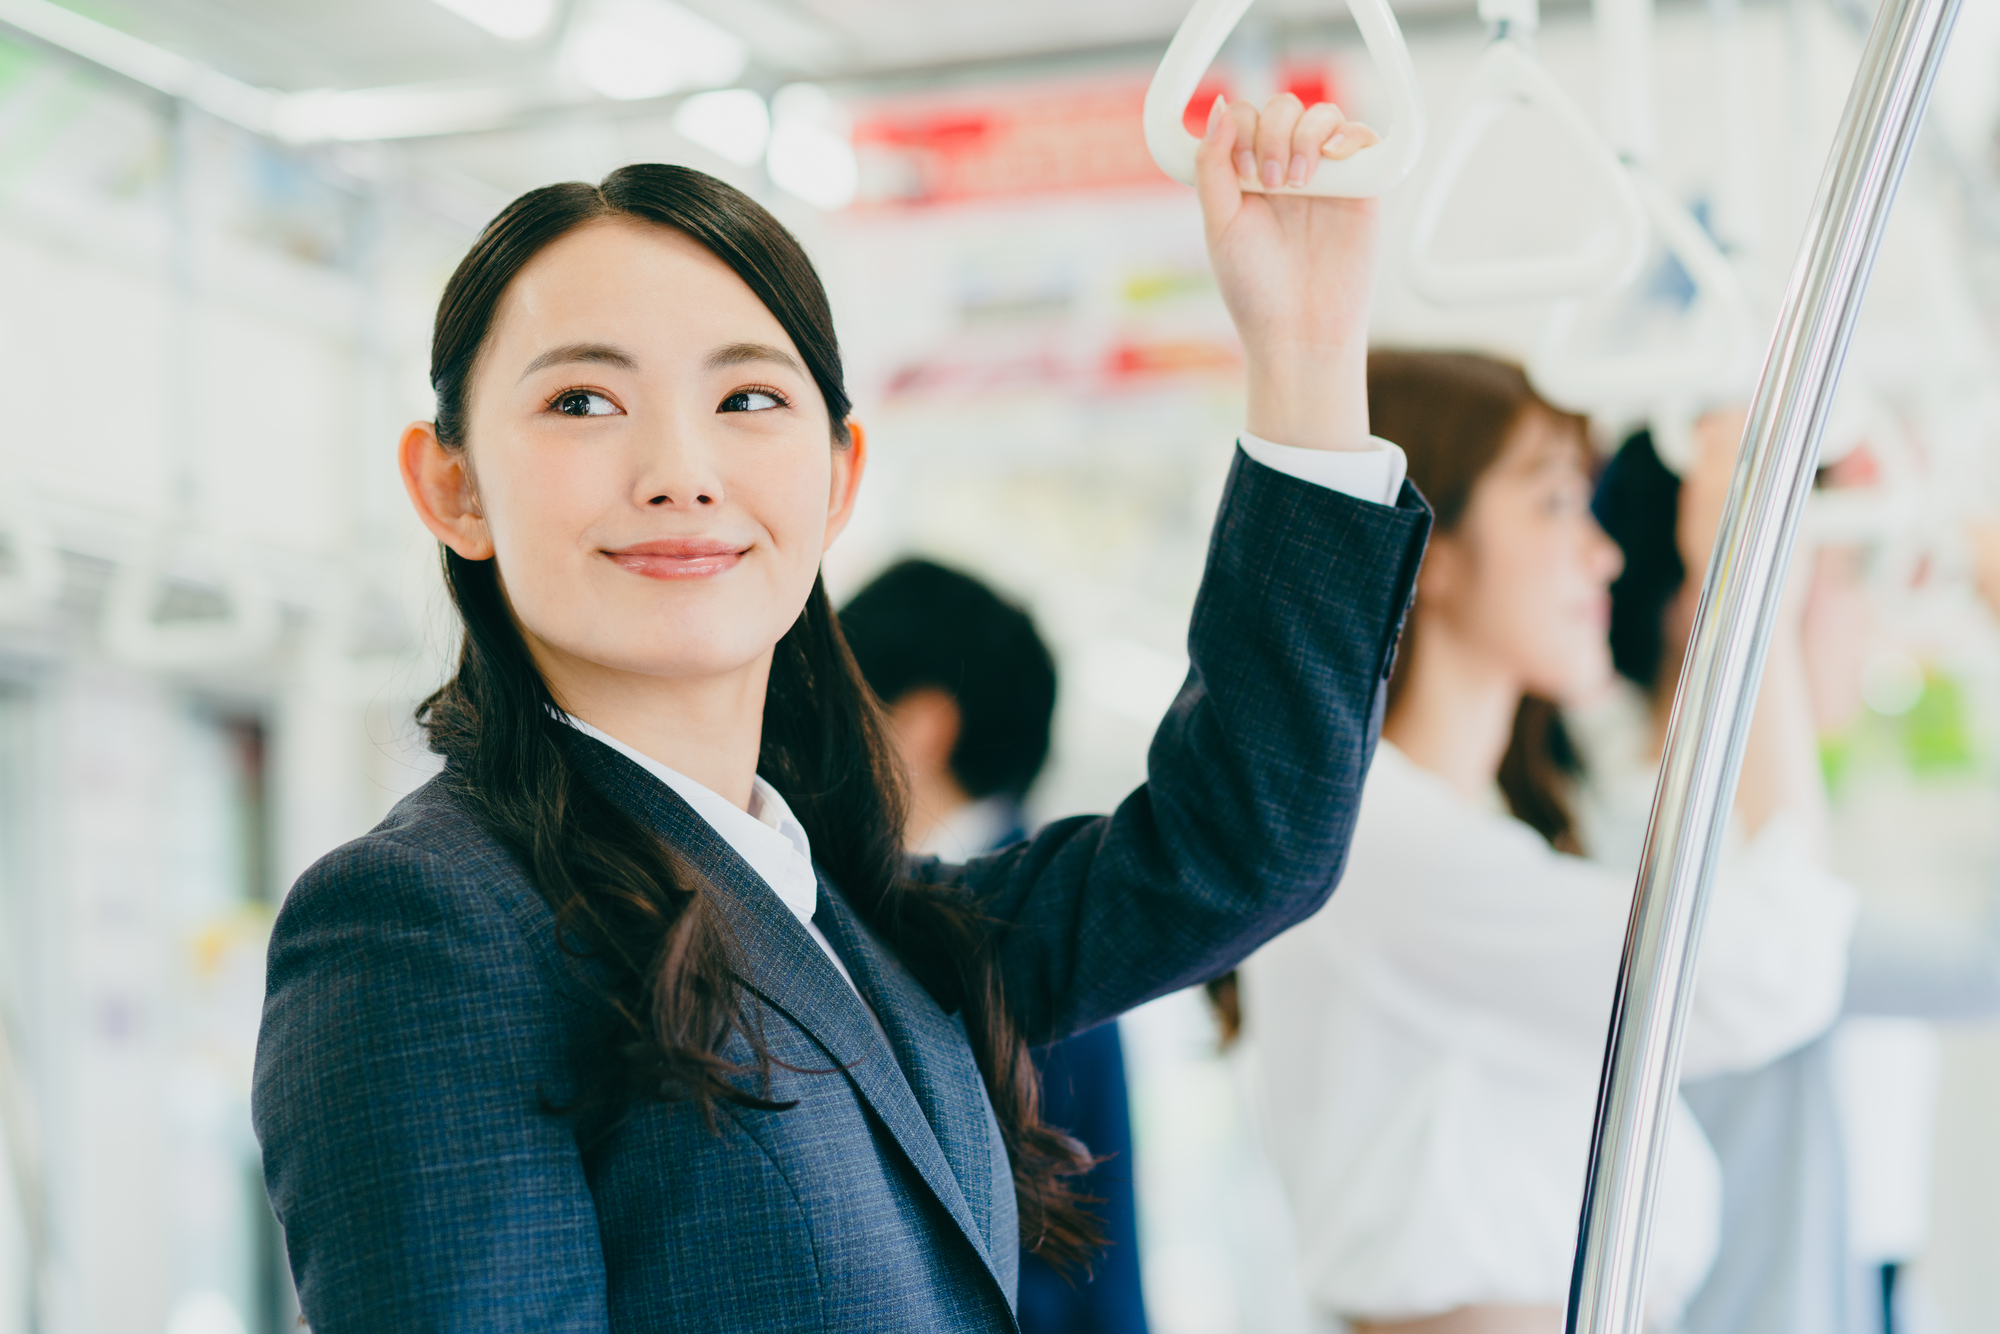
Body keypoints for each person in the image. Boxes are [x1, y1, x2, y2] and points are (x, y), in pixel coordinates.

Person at [250, 94, 1432, 1333]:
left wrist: (1301, 350)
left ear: (836, 478)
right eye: (582, 402)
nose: (678, 469)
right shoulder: (424, 922)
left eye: (748, 399)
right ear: (452, 486)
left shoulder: (859, 922)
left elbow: (1237, 846)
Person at [1235, 351, 1856, 1334]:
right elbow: (1770, 969)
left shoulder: (1444, 828)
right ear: (1425, 551)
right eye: (1554, 502)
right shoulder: (1385, 840)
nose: (1600, 554)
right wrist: (1746, 594)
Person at [1586, 427, 2000, 1334]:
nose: (1865, 618)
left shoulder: (1713, 832)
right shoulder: (1677, 856)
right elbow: (1986, 965)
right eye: (1838, 572)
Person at [840, 557, 1148, 1334]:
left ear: (920, 728)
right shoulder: (855, 903)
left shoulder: (1036, 929)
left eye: (833, 706)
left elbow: (1103, 1266)